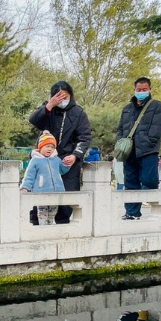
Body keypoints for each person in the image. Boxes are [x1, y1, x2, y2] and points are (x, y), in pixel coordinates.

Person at [29, 81, 92, 223]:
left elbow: (85, 137)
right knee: (40, 195)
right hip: (45, 158)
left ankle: (63, 224)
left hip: (66, 160)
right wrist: (49, 105)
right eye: (58, 97)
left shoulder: (79, 113)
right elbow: (34, 120)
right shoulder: (47, 109)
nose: (62, 101)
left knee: (67, 196)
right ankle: (37, 225)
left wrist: (76, 155)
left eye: (65, 97)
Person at [116, 77, 161, 220]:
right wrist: (120, 142)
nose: (141, 92)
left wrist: (149, 142)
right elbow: (120, 128)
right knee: (130, 182)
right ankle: (132, 212)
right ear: (134, 90)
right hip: (129, 151)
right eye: (139, 90)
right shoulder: (127, 109)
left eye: (144, 89)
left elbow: (157, 128)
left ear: (150, 89)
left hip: (148, 150)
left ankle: (155, 209)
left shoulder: (156, 106)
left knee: (149, 180)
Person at [21, 131, 71, 225]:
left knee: (52, 213)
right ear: (40, 147)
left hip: (56, 192)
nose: (50, 149)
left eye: (52, 147)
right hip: (41, 192)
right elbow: (29, 176)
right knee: (42, 214)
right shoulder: (35, 160)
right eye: (47, 146)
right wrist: (25, 188)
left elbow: (62, 170)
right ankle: (42, 229)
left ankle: (49, 227)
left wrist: (67, 164)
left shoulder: (56, 159)